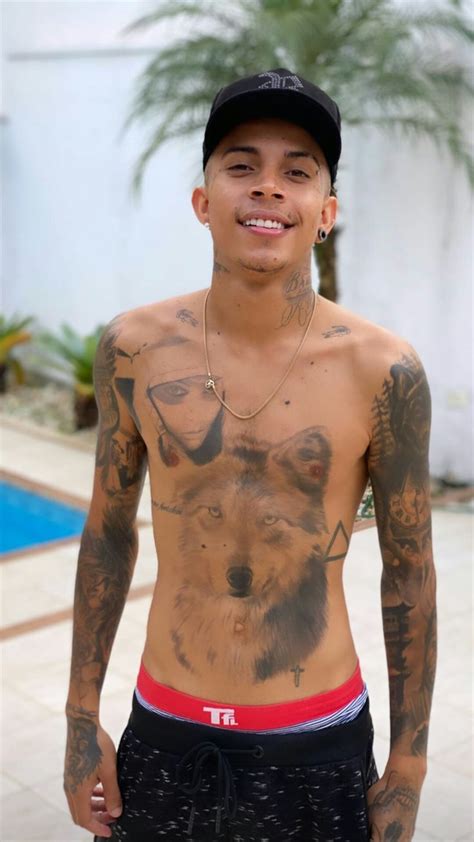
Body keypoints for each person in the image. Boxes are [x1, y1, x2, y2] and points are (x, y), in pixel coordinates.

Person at [63, 68, 437, 842]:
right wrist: (78, 715)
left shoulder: (383, 371)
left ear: (326, 212)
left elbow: (409, 570)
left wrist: (407, 765)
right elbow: (107, 534)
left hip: (317, 742)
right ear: (203, 201)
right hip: (164, 731)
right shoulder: (134, 348)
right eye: (242, 165)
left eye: (297, 171)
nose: (268, 186)